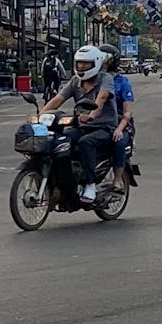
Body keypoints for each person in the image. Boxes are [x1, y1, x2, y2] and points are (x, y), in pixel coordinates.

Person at [41, 45, 117, 204]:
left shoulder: (105, 79)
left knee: (85, 143)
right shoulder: (75, 81)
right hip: (80, 125)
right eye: (79, 63)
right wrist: (39, 115)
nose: (81, 67)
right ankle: (65, 182)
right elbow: (58, 100)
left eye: (86, 64)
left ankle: (90, 185)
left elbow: (101, 99)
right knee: (59, 140)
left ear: (95, 63)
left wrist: (91, 115)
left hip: (104, 127)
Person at [99, 44, 134, 192]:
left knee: (118, 142)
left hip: (120, 124)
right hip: (94, 122)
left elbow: (127, 112)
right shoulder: (91, 80)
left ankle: (118, 179)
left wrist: (120, 127)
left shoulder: (122, 82)